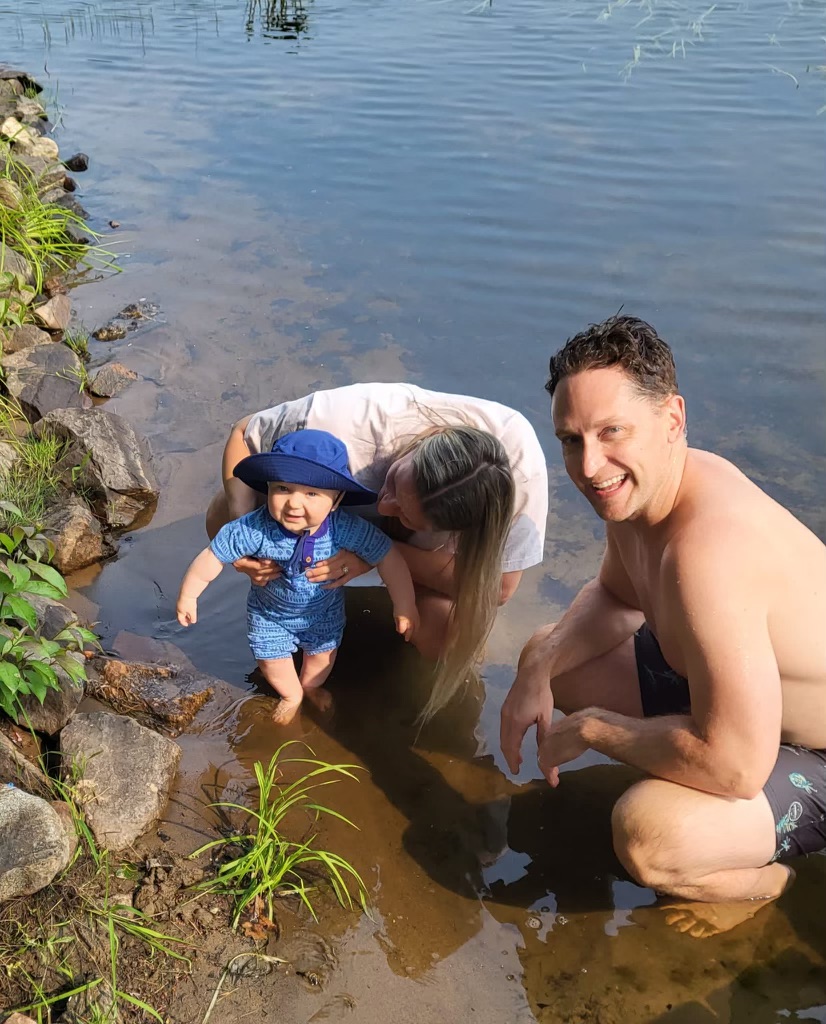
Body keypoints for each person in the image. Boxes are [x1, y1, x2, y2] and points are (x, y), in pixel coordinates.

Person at [500, 314, 826, 938]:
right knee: (550, 652)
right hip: (746, 705)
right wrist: (537, 669)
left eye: (610, 432)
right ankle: (683, 766)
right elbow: (615, 598)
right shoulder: (641, 489)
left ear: (672, 419)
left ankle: (766, 882)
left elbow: (735, 766)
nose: (590, 467)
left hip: (811, 752)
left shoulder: (710, 548)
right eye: (571, 440)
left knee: (650, 835)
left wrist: (598, 731)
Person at [206, 382, 549, 717]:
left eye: (407, 515)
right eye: (396, 484)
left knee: (449, 632)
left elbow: (498, 588)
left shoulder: (520, 480)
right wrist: (244, 528)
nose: (384, 507)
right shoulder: (345, 423)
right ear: (420, 446)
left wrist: (374, 554)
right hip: (323, 510)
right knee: (222, 519)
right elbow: (243, 434)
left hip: (393, 542)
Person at [178, 430, 418, 724]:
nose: (293, 503)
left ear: (336, 498)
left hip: (324, 613)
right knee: (271, 661)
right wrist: (189, 595)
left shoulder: (344, 528)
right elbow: (212, 557)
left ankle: (310, 686)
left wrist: (405, 605)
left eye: (311, 493)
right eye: (282, 488)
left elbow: (388, 556)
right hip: (270, 614)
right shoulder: (254, 528)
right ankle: (291, 694)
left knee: (322, 659)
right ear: (267, 487)